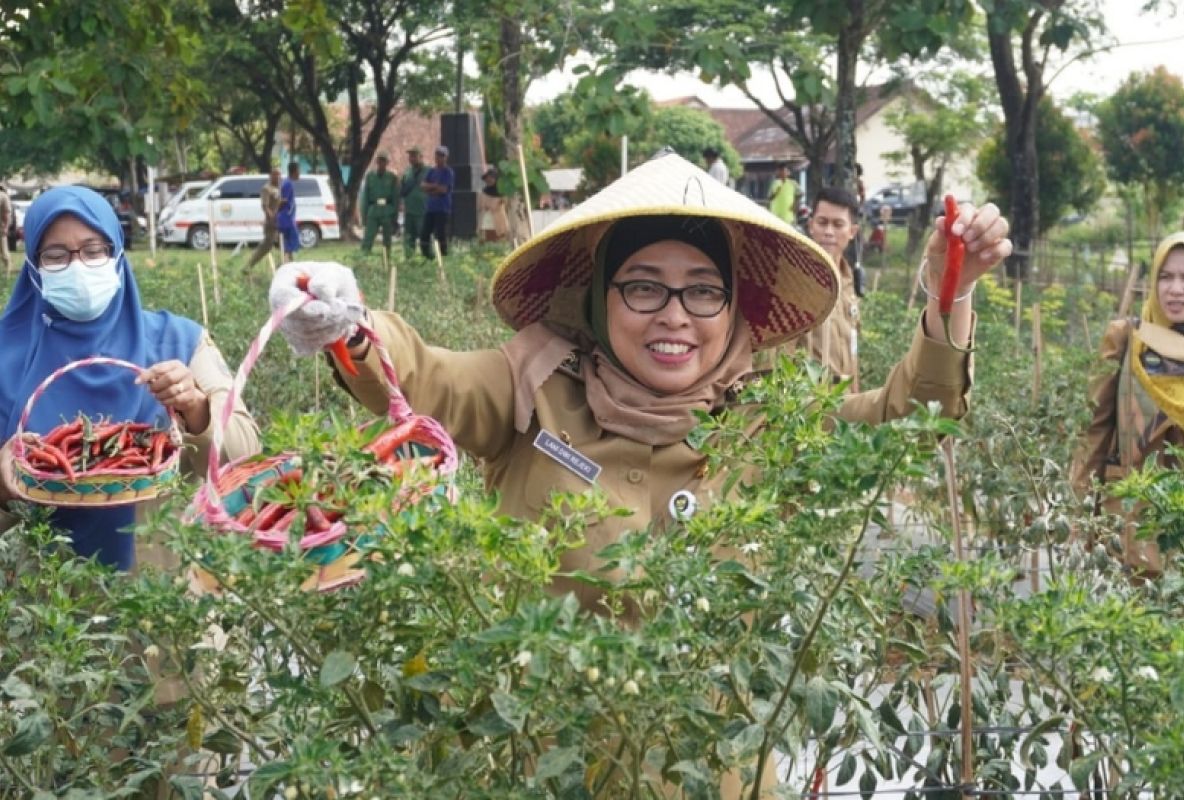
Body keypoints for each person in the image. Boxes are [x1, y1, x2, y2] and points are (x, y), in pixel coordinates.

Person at [268, 153, 1008, 795]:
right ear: (600, 295)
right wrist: (351, 326)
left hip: (715, 775)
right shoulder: (532, 387)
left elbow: (911, 420)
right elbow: (425, 378)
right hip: (535, 764)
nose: (674, 315)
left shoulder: (772, 423)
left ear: (733, 306)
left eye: (702, 290)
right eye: (643, 286)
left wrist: (955, 293)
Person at [0, 186, 260, 571]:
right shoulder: (6, 356)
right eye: (55, 256)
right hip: (48, 607)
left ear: (117, 254)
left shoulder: (179, 342)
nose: (77, 267)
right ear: (34, 267)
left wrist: (196, 407)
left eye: (93, 251)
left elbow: (247, 453)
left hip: (163, 599)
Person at [1073, 232, 1184, 576]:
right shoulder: (1128, 338)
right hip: (1130, 521)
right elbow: (1094, 431)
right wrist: (1079, 515)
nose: (1176, 289)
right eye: (1166, 276)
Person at [760, 186, 862, 383]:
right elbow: (777, 358)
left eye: (838, 224)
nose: (829, 232)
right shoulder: (794, 282)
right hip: (811, 404)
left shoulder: (849, 283)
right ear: (810, 225)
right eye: (822, 223)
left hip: (845, 401)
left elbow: (853, 353)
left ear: (852, 231)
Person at [244, 167, 282, 273]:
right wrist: (271, 218)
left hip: (281, 222)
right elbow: (265, 206)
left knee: (285, 246)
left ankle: (284, 267)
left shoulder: (280, 188)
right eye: (275, 174)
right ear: (271, 175)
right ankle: (248, 266)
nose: (278, 177)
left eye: (279, 175)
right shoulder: (267, 188)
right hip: (271, 223)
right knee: (266, 246)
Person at [419, 145, 454, 259]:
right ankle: (427, 256)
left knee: (440, 235)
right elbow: (422, 185)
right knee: (424, 233)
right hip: (430, 208)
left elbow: (443, 190)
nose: (439, 158)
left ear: (446, 157)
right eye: (437, 155)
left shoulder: (448, 172)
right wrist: (434, 186)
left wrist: (431, 189)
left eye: (442, 156)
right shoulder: (431, 171)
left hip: (442, 208)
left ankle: (443, 256)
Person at [361, 153, 399, 255]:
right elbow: (365, 198)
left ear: (387, 163)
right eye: (379, 161)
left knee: (387, 240)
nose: (381, 163)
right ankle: (363, 259)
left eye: (384, 161)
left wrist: (395, 217)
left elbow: (396, 197)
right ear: (376, 162)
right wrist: (364, 216)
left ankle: (387, 260)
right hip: (373, 210)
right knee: (368, 238)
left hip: (387, 210)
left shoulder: (392, 177)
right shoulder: (370, 176)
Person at [398, 146, 428, 256]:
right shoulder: (407, 172)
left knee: (424, 237)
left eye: (414, 156)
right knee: (408, 239)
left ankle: (428, 259)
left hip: (422, 210)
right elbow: (402, 189)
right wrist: (401, 204)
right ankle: (409, 260)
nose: (412, 158)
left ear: (421, 157)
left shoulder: (428, 171)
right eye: (410, 156)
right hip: (409, 210)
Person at [477, 165, 510, 243]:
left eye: (491, 178)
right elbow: (480, 206)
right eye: (487, 178)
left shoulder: (502, 192)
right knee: (484, 241)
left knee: (499, 240)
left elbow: (506, 205)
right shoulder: (483, 192)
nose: (489, 180)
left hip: (499, 221)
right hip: (485, 221)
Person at [277, 161, 301, 263]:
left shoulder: (287, 182)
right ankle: (286, 263)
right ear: (294, 171)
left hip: (288, 217)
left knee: (289, 243)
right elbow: (283, 200)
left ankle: (290, 262)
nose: (299, 174)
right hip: (286, 218)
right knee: (290, 243)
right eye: (299, 171)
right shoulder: (287, 184)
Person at [0, 185, 12, 275]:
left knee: (4, 252)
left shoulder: (3, 196)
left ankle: (8, 270)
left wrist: (6, 227)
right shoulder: (4, 196)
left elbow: (7, 213)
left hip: (1, 228)